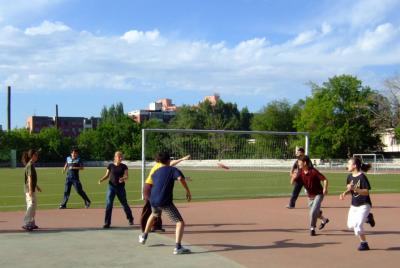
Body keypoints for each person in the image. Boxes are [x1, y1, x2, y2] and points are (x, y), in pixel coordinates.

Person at [138, 152, 192, 255]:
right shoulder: (173, 170)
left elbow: (160, 182)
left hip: (153, 199)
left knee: (153, 214)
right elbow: (180, 178)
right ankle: (178, 247)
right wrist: (187, 191)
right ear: (168, 161)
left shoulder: (155, 172)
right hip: (164, 201)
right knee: (180, 222)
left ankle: (144, 236)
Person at [339, 157, 375, 251]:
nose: (347, 166)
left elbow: (366, 192)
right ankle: (368, 217)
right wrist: (345, 193)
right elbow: (350, 189)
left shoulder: (362, 177)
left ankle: (364, 244)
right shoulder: (349, 177)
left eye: (349, 164)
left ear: (354, 166)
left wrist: (354, 188)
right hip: (354, 205)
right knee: (350, 225)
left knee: (358, 226)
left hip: (364, 204)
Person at [291, 155, 329, 236]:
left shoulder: (313, 172)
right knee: (315, 212)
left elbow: (325, 179)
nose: (298, 163)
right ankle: (324, 220)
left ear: (304, 163)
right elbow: (293, 184)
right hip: (310, 196)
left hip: (319, 194)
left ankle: (312, 228)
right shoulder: (300, 172)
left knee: (312, 212)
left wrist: (325, 188)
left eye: (299, 162)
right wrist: (293, 178)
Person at [98, 151, 134, 228]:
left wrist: (123, 178)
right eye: (119, 157)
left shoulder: (124, 166)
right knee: (109, 204)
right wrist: (101, 179)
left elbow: (127, 176)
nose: (120, 158)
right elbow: (107, 175)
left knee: (124, 204)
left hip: (120, 188)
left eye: (121, 157)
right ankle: (107, 223)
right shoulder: (110, 166)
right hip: (111, 187)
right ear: (115, 157)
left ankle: (130, 218)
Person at [22, 149, 42, 231]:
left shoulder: (31, 165)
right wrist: (30, 190)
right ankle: (27, 223)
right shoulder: (29, 165)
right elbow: (29, 178)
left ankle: (32, 222)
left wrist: (36, 186)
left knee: (33, 206)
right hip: (29, 189)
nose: (37, 156)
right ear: (33, 155)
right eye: (36, 155)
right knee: (31, 205)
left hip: (32, 188)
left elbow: (32, 179)